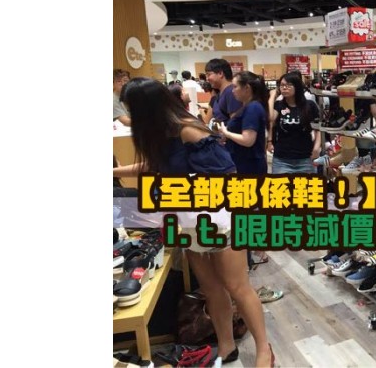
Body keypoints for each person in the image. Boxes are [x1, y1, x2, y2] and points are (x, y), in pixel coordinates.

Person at [113, 78, 274, 367]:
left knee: (237, 286)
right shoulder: (160, 134)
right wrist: (115, 171)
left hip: (221, 218)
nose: (130, 118)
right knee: (211, 288)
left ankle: (264, 349)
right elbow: (154, 166)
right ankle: (226, 346)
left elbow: (227, 175)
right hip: (189, 220)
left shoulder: (187, 129)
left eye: (132, 110)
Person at [217, 71, 269, 174]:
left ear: (247, 88)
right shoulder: (247, 107)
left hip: (249, 165)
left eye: (235, 87)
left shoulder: (253, 108)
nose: (232, 91)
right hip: (243, 162)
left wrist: (227, 133)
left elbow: (248, 140)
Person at [267, 73, 321, 174]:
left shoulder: (310, 105)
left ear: (297, 86)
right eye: (282, 85)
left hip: (306, 158)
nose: (284, 88)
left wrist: (317, 147)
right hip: (282, 159)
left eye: (288, 85)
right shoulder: (279, 105)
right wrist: (272, 96)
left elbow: (318, 128)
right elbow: (270, 118)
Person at [205, 59, 242, 125]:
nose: (207, 78)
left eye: (208, 74)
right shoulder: (221, 93)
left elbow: (235, 124)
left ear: (220, 73)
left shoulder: (231, 92)